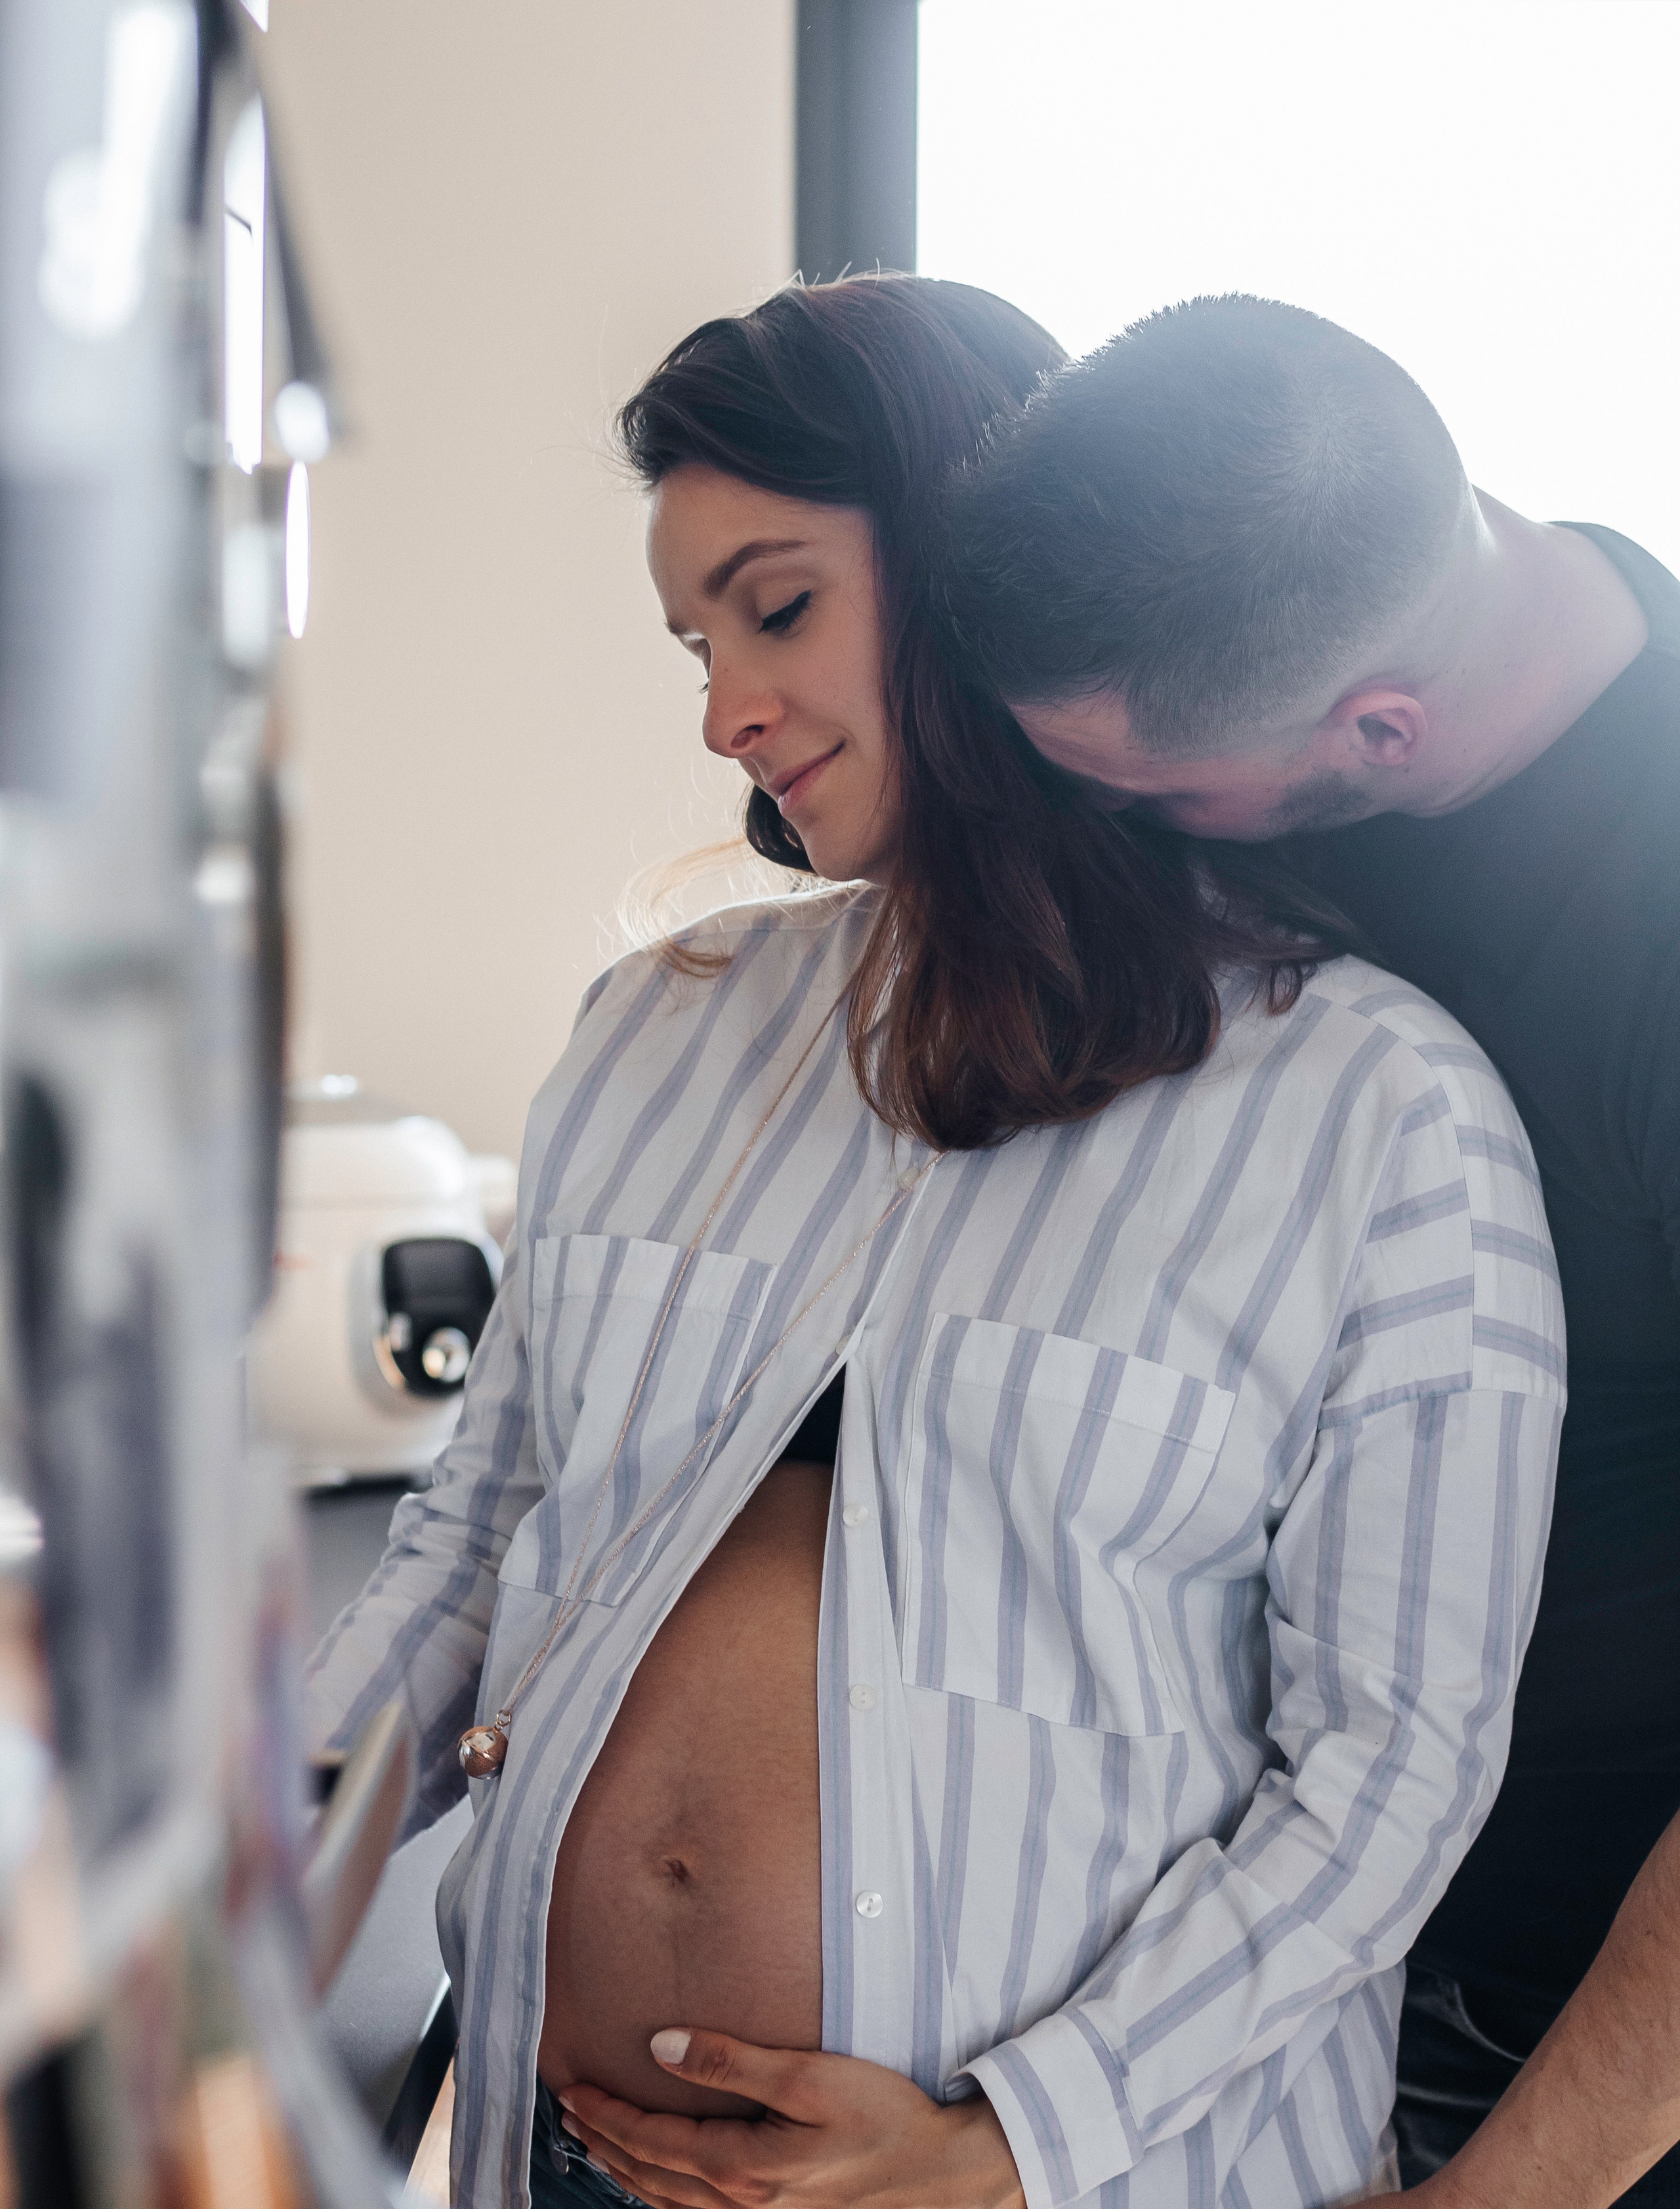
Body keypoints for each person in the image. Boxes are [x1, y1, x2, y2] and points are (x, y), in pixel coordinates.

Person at [305, 276, 1564, 2209]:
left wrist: (1008, 2144)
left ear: (976, 572)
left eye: (779, 604)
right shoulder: (659, 1033)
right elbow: (475, 1543)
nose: (727, 707)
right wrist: (237, 1877)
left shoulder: (1382, 1115)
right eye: (695, 641)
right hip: (574, 2163)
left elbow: (1391, 1776)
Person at [935, 291, 1680, 2206]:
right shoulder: (1295, 653)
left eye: (1158, 798)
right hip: (1227, 1974)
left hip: (1562, 2050)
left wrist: (1507, 2195)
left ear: (1377, 729)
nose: (1135, 843)